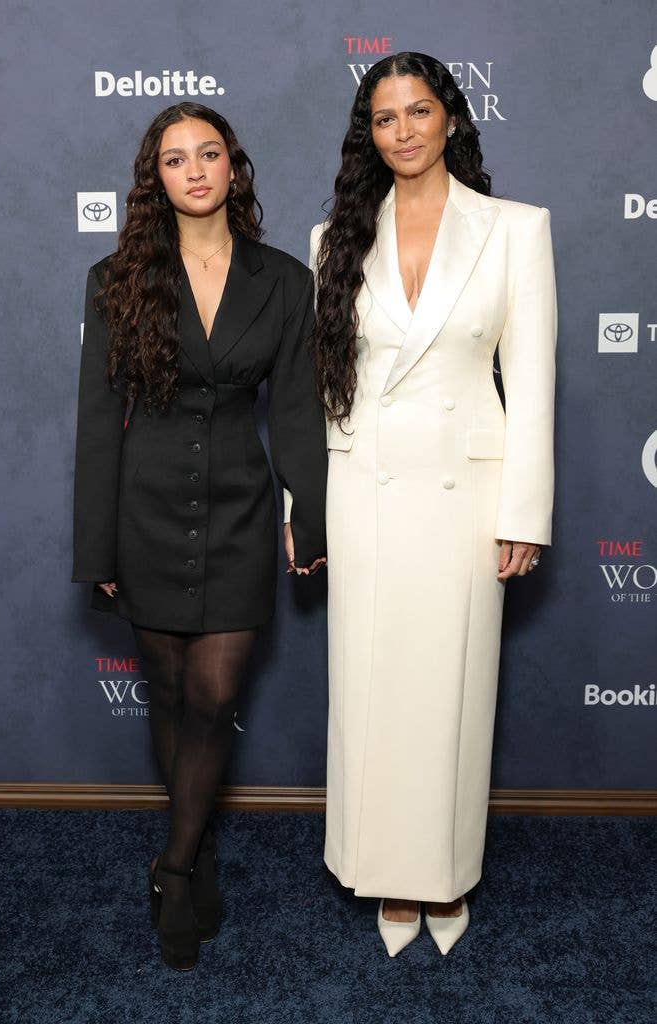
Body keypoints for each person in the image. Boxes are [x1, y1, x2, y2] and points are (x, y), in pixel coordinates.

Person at [309, 52, 556, 957]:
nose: (404, 131)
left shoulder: (514, 228)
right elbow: (326, 388)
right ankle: (382, 869)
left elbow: (531, 381)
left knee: (452, 689)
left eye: (419, 111)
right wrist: (312, 499)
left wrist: (523, 512)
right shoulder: (334, 236)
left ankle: (443, 873)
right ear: (368, 134)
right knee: (372, 689)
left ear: (450, 116)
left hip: (465, 494)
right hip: (367, 488)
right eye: (385, 118)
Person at [72, 102, 327, 971]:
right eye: (175, 158)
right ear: (157, 177)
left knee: (215, 696)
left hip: (240, 509)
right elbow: (98, 419)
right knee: (173, 692)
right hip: (142, 507)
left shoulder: (284, 281)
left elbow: (296, 413)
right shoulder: (117, 278)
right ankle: (197, 842)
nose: (194, 170)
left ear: (233, 166)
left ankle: (173, 866)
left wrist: (308, 513)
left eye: (208, 153)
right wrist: (96, 546)